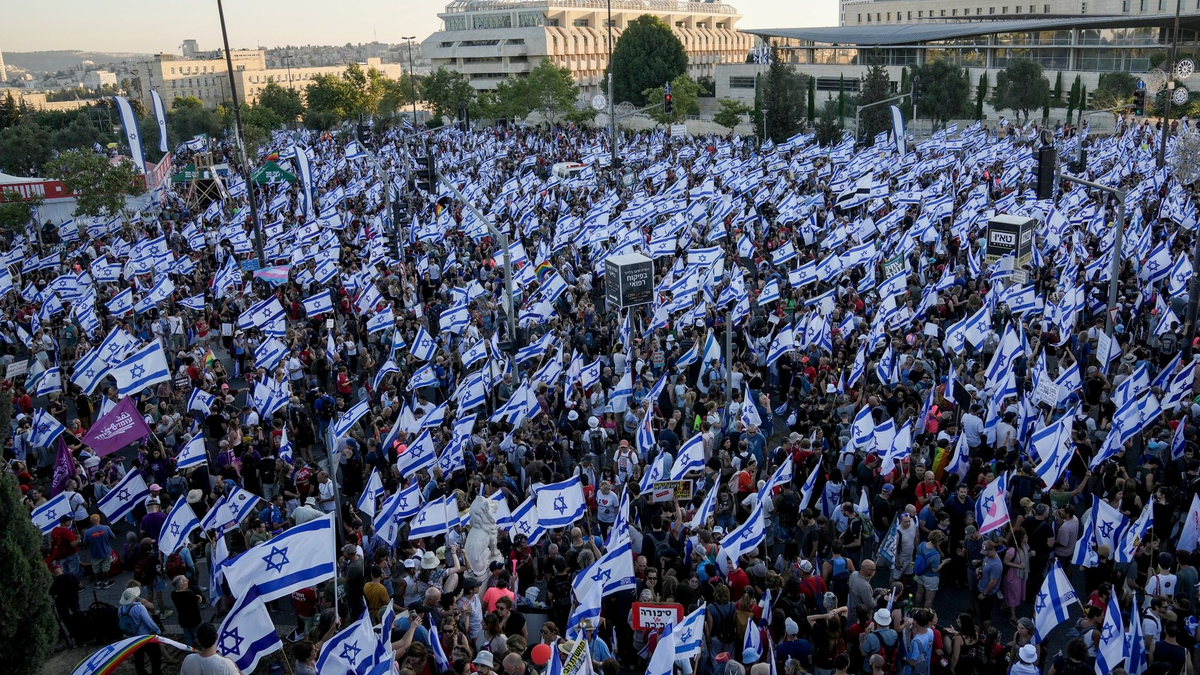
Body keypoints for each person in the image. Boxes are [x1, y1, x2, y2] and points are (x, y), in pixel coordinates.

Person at [118, 587, 162, 675]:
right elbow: (148, 622)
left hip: (132, 638)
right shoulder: (139, 607)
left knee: (138, 658)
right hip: (145, 637)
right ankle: (156, 673)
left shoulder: (121, 609)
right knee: (155, 657)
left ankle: (141, 673)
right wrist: (157, 631)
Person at [171, 575, 206, 648]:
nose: (187, 580)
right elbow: (199, 600)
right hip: (194, 620)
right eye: (185, 580)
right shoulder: (189, 595)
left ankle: (190, 652)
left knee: (189, 639)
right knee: (203, 635)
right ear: (181, 585)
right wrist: (199, 596)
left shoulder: (173, 594)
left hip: (183, 621)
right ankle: (205, 650)